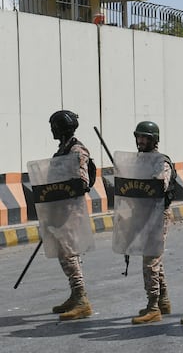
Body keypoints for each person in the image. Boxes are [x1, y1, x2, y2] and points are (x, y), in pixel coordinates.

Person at [48, 110, 93, 321]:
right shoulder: (63, 150)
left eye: (55, 126)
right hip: (59, 209)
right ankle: (75, 294)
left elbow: (82, 182)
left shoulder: (77, 150)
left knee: (69, 252)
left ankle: (82, 299)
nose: (52, 130)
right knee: (64, 253)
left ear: (63, 127)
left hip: (71, 210)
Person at [131, 121, 176, 324]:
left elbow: (161, 185)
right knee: (155, 260)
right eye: (139, 137)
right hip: (143, 214)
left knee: (150, 260)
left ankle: (153, 307)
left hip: (158, 215)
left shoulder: (161, 162)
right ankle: (163, 301)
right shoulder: (139, 160)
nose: (141, 141)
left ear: (153, 140)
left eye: (145, 137)